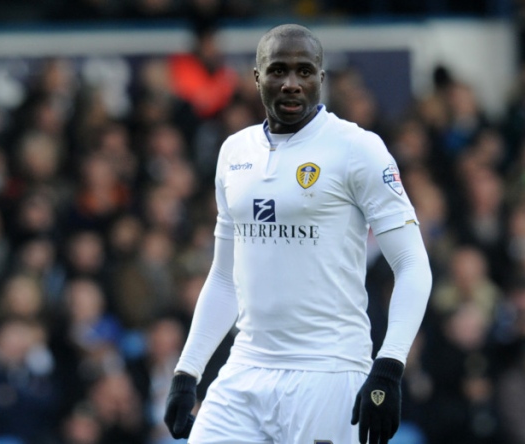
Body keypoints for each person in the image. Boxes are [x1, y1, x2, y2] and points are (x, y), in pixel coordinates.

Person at [164, 23, 432, 444]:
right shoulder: (235, 152)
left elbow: (413, 264)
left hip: (329, 371)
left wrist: (389, 366)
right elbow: (223, 278)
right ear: (256, 77)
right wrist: (187, 371)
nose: (291, 83)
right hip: (246, 368)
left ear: (321, 78)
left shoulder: (357, 149)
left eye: (304, 71)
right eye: (278, 71)